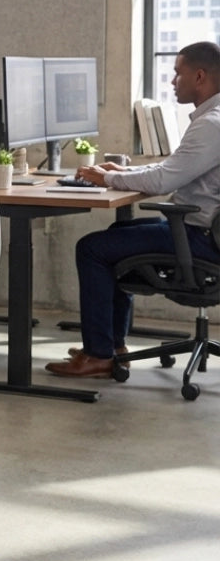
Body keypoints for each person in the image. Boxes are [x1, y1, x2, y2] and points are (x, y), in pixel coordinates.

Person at [44, 40, 220, 379]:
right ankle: (113, 346)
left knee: (92, 248)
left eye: (177, 74)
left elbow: (164, 181)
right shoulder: (212, 119)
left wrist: (106, 176)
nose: (172, 82)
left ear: (200, 76)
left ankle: (98, 355)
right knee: (115, 236)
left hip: (199, 236)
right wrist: (124, 173)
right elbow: (177, 168)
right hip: (203, 230)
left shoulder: (211, 124)